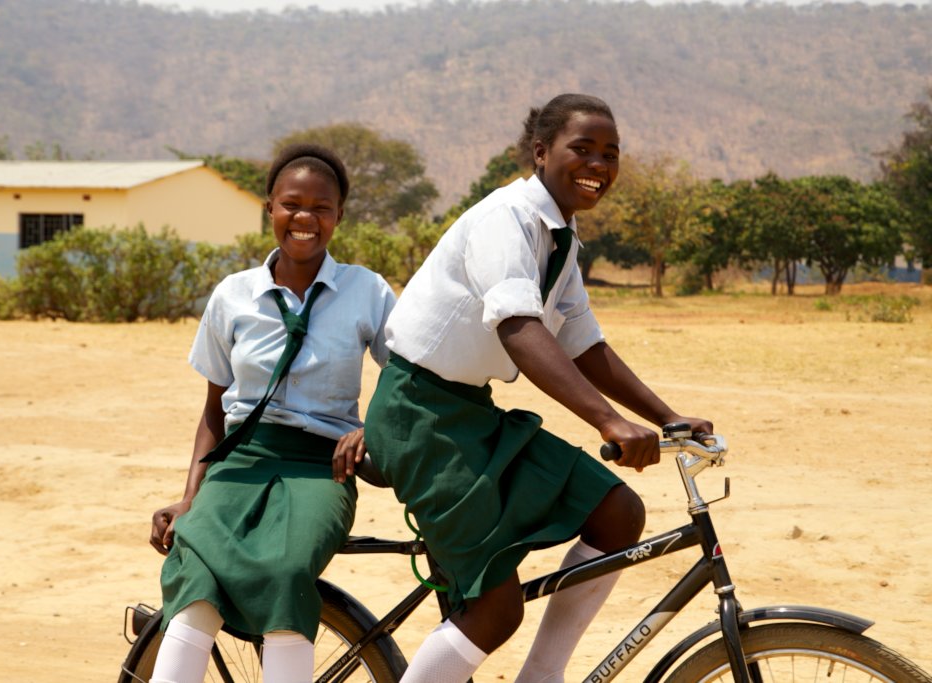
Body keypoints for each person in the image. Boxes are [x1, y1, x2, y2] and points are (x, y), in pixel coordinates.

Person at [363, 93, 713, 683]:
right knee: (497, 610)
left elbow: (583, 342)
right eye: (583, 149)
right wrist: (608, 421)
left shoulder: (560, 236)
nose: (598, 165)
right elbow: (519, 328)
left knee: (618, 512)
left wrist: (667, 416)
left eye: (611, 153)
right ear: (541, 152)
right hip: (419, 416)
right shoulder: (508, 220)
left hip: (469, 411)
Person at [146, 143, 396, 683]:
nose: (305, 218)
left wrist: (370, 430)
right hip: (240, 460)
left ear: (339, 216)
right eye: (292, 204)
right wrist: (190, 496)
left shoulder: (366, 291)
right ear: (270, 209)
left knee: (288, 574)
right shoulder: (233, 295)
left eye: (321, 207)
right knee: (197, 581)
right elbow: (214, 412)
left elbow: (406, 378)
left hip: (322, 465)